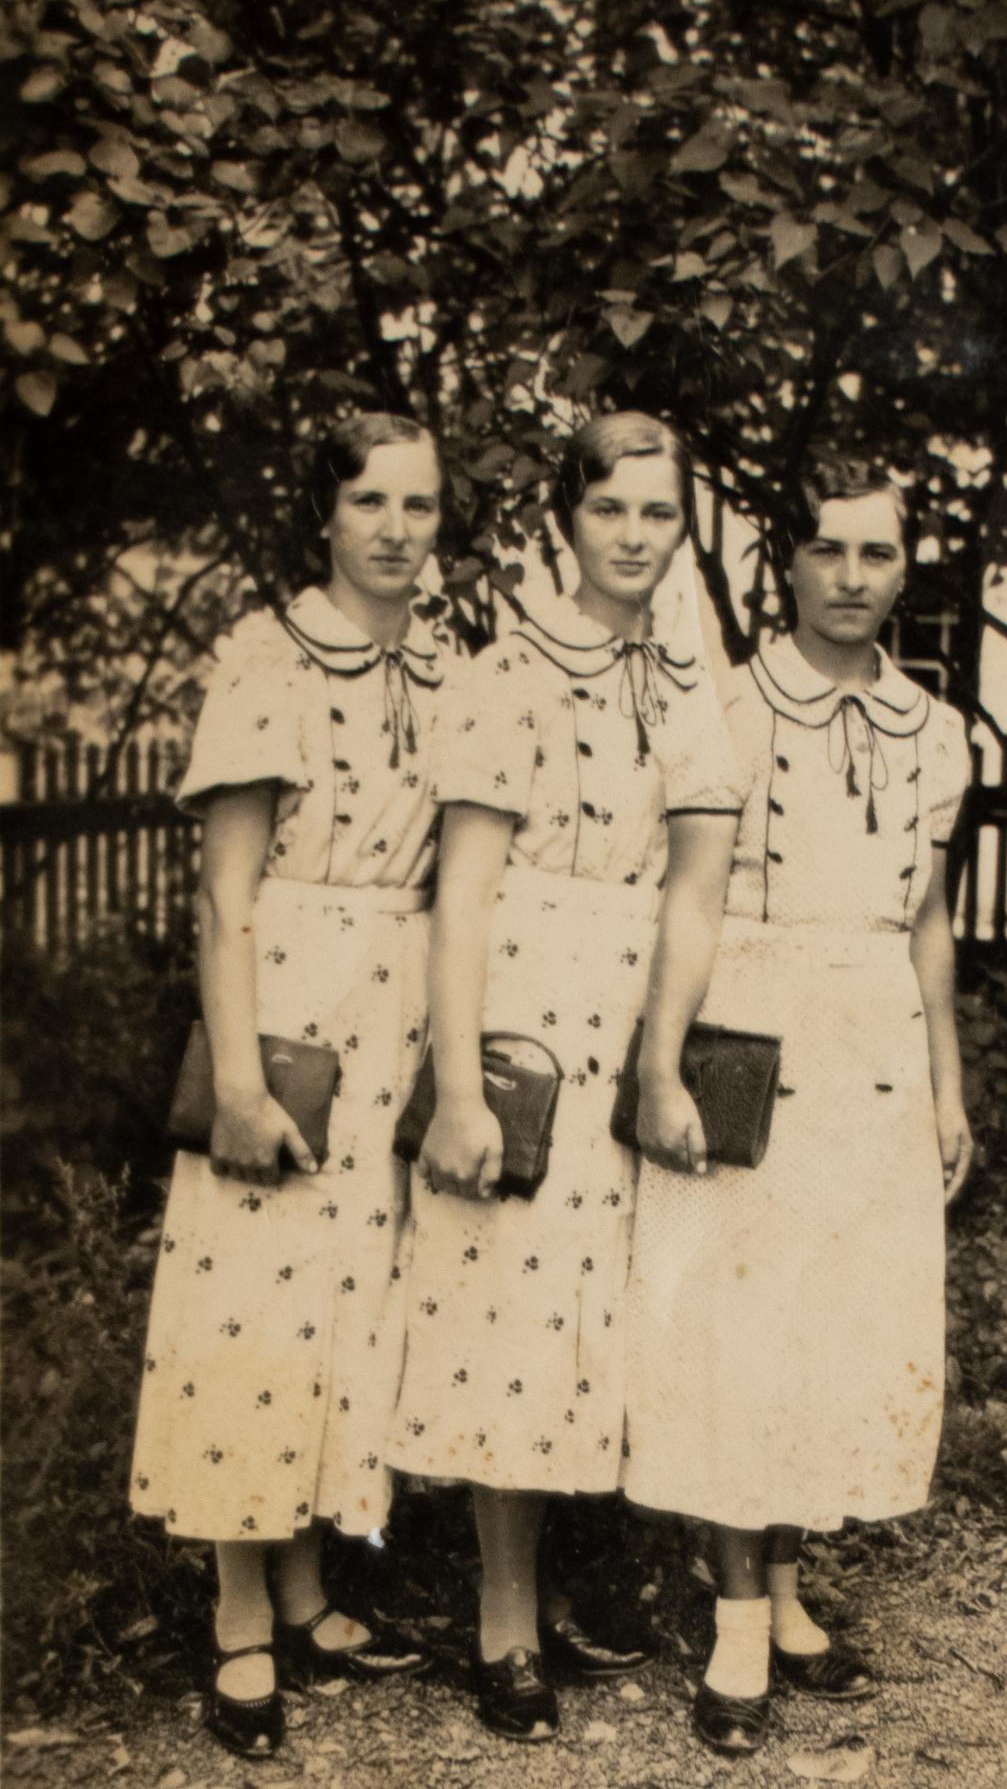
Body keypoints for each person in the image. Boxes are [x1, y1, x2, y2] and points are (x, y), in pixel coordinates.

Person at [388, 413, 743, 1742]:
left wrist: (662, 1062)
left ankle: (585, 1584)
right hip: (522, 1012)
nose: (635, 538)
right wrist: (461, 1087)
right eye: (610, 511)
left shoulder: (690, 685)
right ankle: (503, 1618)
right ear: (566, 521)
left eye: (660, 514)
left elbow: (696, 891)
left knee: (621, 1316)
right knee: (512, 1313)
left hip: (637, 1006)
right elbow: (464, 897)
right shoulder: (507, 674)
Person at [624, 458, 975, 1756]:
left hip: (874, 1045)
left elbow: (928, 921)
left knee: (829, 1327)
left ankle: (782, 1589)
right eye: (827, 549)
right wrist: (662, 1062)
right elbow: (688, 899)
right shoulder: (730, 707)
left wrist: (947, 1082)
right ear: (788, 561)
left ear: (905, 570)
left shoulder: (936, 731)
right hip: (752, 1038)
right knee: (738, 1328)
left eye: (876, 554)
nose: (850, 577)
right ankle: (732, 1621)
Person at [130, 413, 452, 1758]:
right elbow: (225, 898)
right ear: (324, 514)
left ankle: (312, 1587)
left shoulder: (442, 665)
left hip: (396, 1017)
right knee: (250, 1305)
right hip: (286, 1014)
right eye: (369, 501)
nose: (395, 529)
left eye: (420, 505)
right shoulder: (267, 661)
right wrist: (241, 1080)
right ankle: (240, 1616)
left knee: (348, 1306)